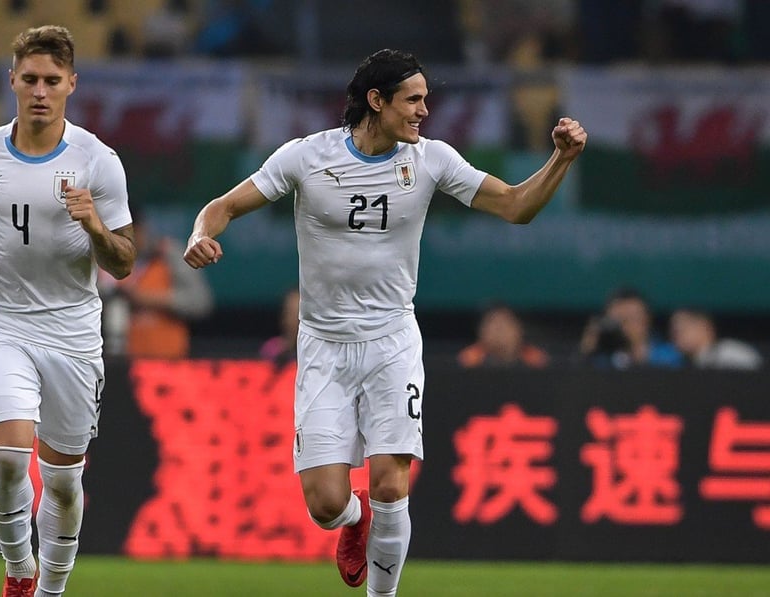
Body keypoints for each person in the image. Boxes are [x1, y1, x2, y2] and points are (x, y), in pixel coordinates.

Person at [183, 48, 587, 596]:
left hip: (392, 341)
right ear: (377, 101)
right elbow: (223, 206)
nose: (424, 111)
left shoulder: (432, 159)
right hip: (324, 345)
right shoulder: (307, 157)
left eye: (426, 99)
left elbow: (516, 206)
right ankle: (354, 523)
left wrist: (560, 159)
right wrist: (200, 235)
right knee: (326, 504)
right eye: (413, 100)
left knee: (391, 483)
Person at [0, 26, 135, 597]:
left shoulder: (97, 162)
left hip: (72, 331)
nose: (40, 92)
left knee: (63, 482)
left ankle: (51, 588)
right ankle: (19, 570)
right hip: (0, 320)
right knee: (6, 458)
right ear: (12, 81)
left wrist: (95, 226)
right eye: (30, 79)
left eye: (53, 80)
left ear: (72, 84)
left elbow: (123, 262)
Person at [99, 208, 212, 359]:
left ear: (140, 229)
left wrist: (146, 298)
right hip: (116, 362)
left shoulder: (168, 254)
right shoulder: (100, 261)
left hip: (169, 361)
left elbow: (200, 302)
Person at [580, 287, 683, 370]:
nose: (626, 326)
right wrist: (586, 352)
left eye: (632, 318)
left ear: (647, 319)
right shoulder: (602, 359)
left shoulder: (669, 355)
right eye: (619, 320)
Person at [457, 302, 549, 368]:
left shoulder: (535, 360)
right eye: (493, 324)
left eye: (505, 325)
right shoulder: (469, 360)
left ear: (519, 330)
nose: (499, 331)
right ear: (482, 331)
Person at [669, 308, 763, 370]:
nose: (677, 336)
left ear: (705, 327)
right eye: (674, 331)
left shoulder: (730, 354)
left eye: (683, 330)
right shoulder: (678, 363)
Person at [260, 287, 300, 367]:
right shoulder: (272, 349)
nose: (294, 320)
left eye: (297, 314)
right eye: (290, 313)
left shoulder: (317, 350)